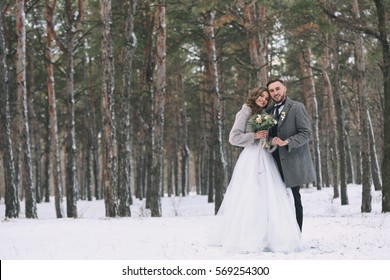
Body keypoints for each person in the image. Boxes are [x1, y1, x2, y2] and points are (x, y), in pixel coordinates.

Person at [209, 86, 302, 254]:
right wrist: (253, 136)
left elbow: (264, 140)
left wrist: (269, 141)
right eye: (261, 96)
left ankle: (269, 234)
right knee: (250, 194)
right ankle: (247, 235)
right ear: (255, 95)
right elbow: (233, 137)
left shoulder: (263, 114)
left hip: (264, 157)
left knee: (267, 195)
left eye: (266, 98)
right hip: (250, 158)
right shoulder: (245, 112)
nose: (264, 99)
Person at [266, 77, 316, 232]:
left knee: (295, 199)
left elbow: (306, 133)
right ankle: (279, 233)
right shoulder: (267, 111)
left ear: (285, 88)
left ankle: (297, 235)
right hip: (272, 162)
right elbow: (266, 135)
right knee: (275, 199)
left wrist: (287, 141)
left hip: (292, 161)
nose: (275, 93)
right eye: (272, 91)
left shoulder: (296, 107)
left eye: (277, 89)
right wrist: (269, 140)